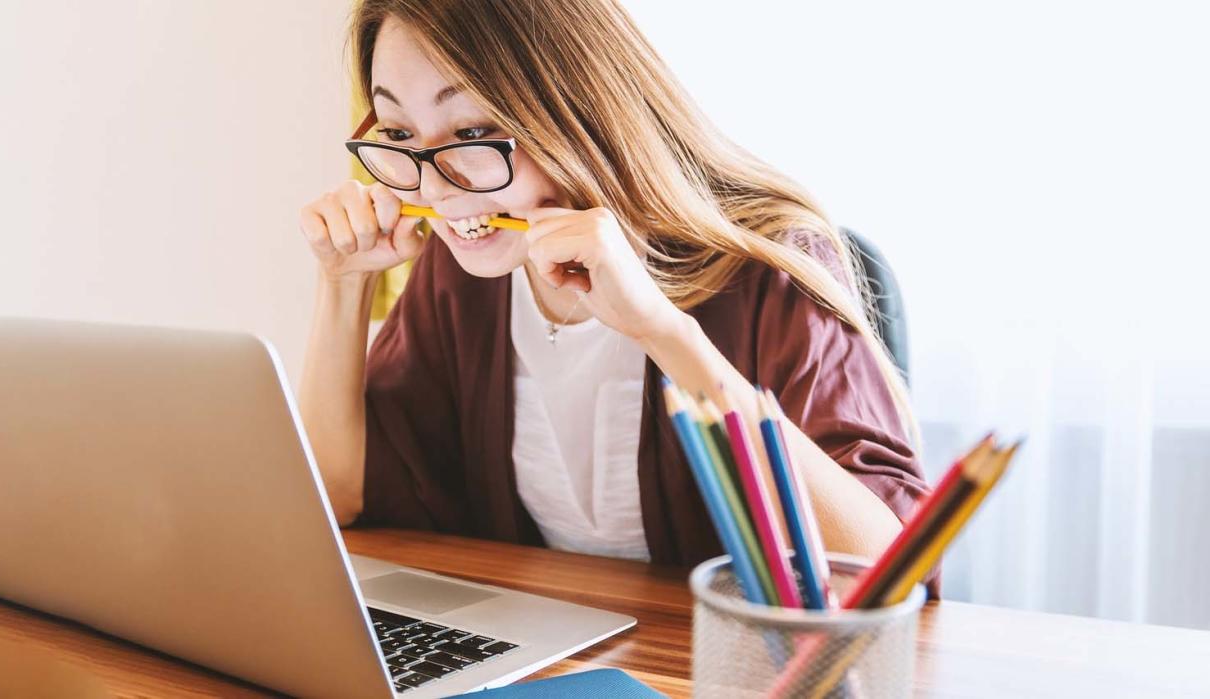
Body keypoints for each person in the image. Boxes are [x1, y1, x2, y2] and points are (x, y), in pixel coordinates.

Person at [296, 0, 931, 580]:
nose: (432, 189)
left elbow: (884, 571)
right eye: (402, 135)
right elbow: (339, 495)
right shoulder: (464, 272)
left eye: (472, 134)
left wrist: (662, 330)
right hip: (552, 655)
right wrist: (342, 285)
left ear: (578, 110)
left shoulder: (769, 263)